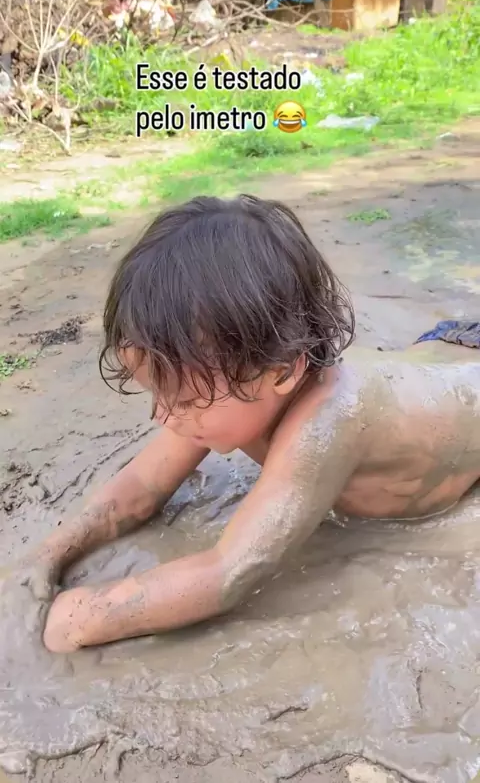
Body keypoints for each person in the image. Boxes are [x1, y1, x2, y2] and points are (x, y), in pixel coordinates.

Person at [23, 195, 479, 653]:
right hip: (439, 355)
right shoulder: (236, 384)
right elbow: (142, 486)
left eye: (184, 399)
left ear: (283, 371)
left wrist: (92, 615)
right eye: (157, 395)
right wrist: (51, 552)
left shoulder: (329, 420)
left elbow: (230, 571)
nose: (161, 416)